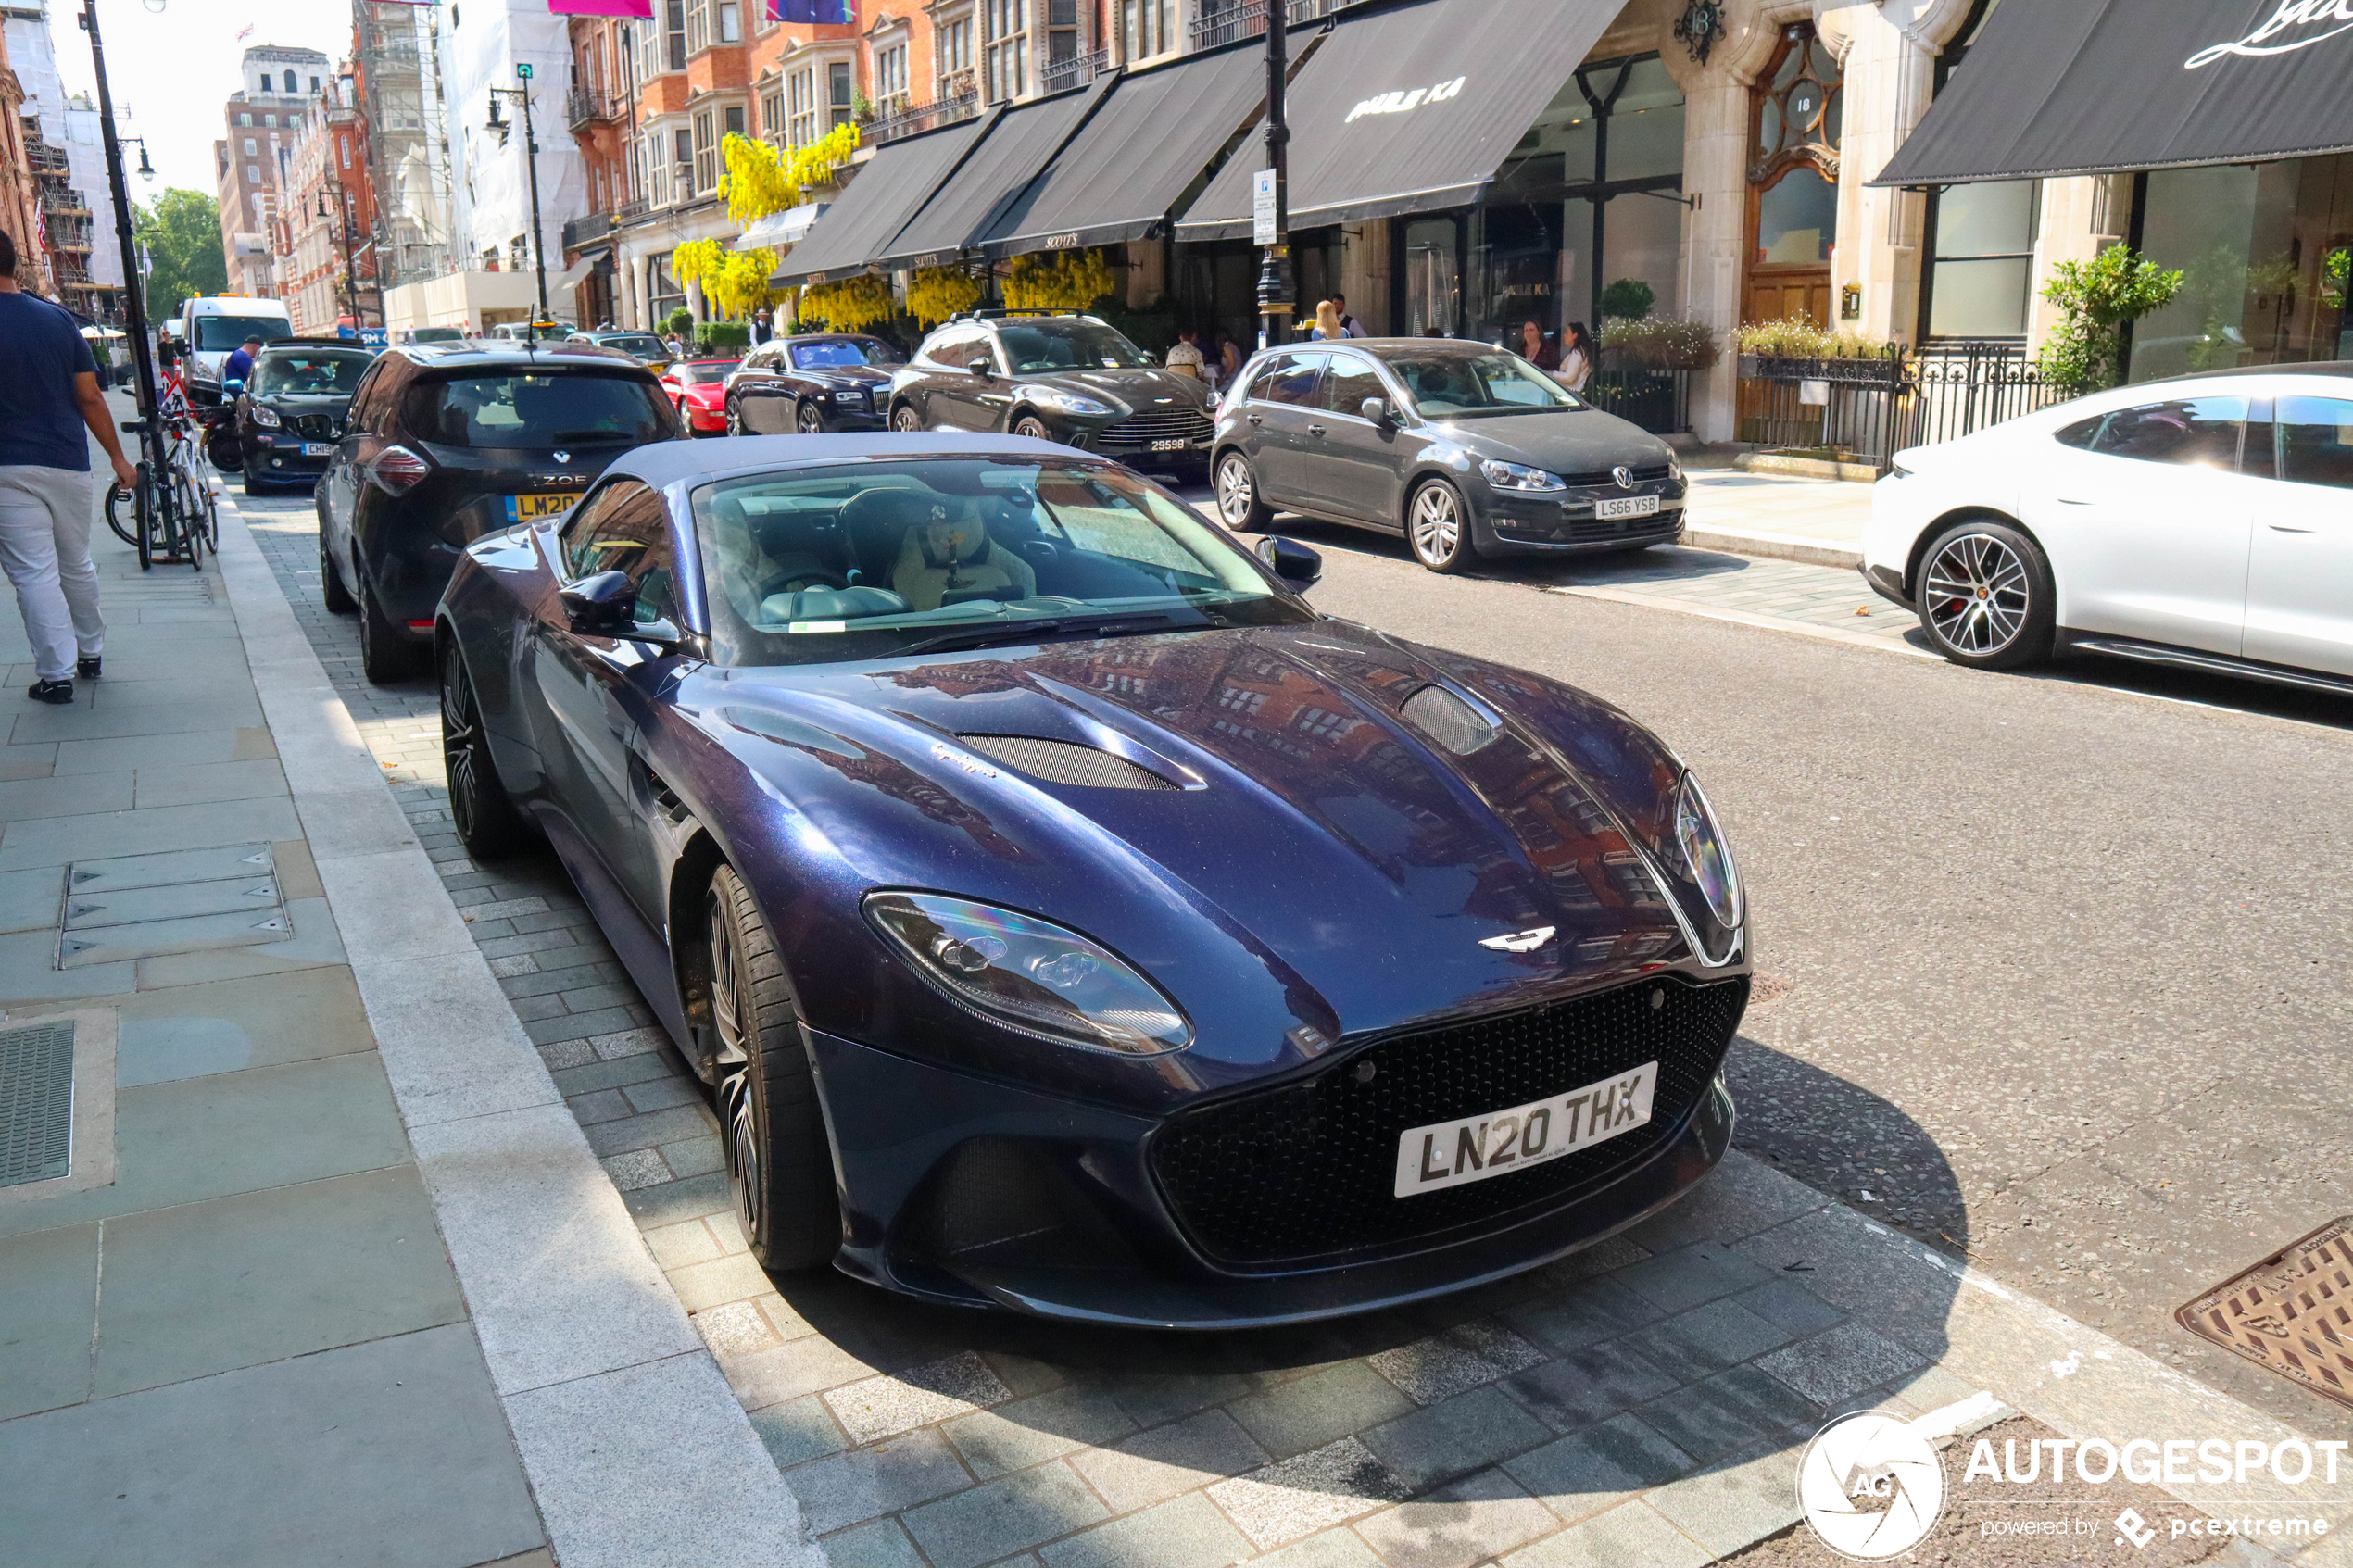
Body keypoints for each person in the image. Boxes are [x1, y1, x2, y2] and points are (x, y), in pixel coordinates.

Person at [0, 230, 126, 704]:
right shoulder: (58, 321)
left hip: (7, 464)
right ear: (14, 264)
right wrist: (116, 457)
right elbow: (90, 397)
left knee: (34, 572)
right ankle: (91, 652)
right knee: (76, 560)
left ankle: (56, 675)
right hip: (68, 461)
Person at [1558, 320, 1595, 392]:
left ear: (1574, 336)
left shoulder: (1577, 353)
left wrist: (1552, 374)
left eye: (1567, 333)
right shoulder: (1581, 351)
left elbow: (1569, 377)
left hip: (1571, 392)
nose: (1564, 335)